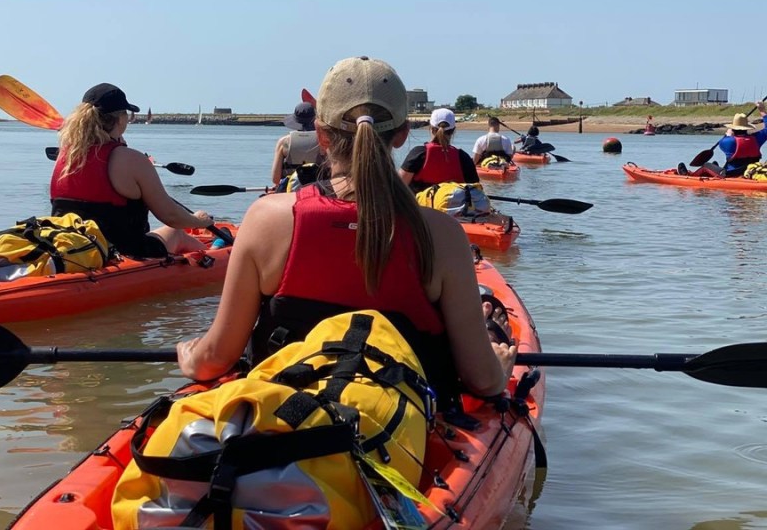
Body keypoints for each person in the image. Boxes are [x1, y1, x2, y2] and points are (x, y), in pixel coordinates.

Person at [177, 56, 515, 403]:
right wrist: (500, 366)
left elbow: (215, 359)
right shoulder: (443, 235)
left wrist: (190, 356)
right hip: (395, 434)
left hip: (284, 417)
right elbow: (482, 380)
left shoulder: (266, 218)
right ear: (400, 136)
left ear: (322, 135)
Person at [49, 83, 216, 258]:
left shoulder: (65, 156)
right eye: (127, 114)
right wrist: (199, 221)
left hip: (70, 250)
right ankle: (217, 257)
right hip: (123, 252)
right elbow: (171, 217)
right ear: (121, 118)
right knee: (177, 234)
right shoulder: (132, 160)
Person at [398, 107, 480, 192]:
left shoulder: (418, 153)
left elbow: (397, 188)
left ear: (431, 128)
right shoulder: (463, 157)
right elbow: (477, 193)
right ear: (453, 131)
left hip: (418, 205)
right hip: (455, 205)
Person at [679, 103, 767, 178]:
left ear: (733, 128)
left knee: (706, 165)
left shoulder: (728, 141)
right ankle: (714, 169)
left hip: (730, 174)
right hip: (749, 172)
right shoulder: (756, 138)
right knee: (714, 164)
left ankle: (689, 176)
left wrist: (728, 135)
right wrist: (762, 110)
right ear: (747, 128)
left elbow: (723, 143)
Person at [270, 101, 324, 187]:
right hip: (317, 189)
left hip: (290, 190)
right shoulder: (323, 141)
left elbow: (275, 179)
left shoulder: (283, 142)